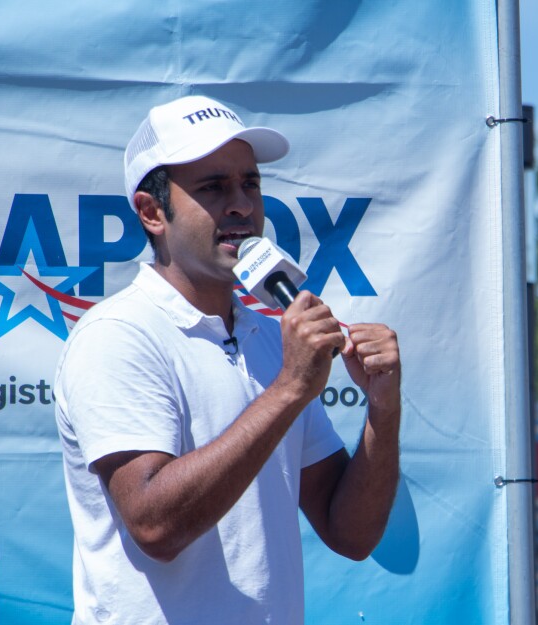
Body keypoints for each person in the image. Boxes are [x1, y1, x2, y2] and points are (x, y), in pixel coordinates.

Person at [54, 95, 402, 625]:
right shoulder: (117, 334)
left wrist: (383, 409)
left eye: (250, 184)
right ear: (152, 212)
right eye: (213, 187)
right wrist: (287, 390)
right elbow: (155, 527)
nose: (241, 205)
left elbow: (350, 533)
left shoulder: (270, 338)